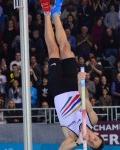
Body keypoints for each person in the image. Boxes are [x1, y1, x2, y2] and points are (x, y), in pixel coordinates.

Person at [41, 0, 104, 149]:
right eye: (95, 139)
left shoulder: (73, 136)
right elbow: (86, 99)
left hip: (59, 91)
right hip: (73, 86)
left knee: (53, 51)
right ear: (97, 134)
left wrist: (77, 142)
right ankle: (56, 13)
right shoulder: (92, 120)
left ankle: (46, 12)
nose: (91, 140)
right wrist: (81, 83)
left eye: (91, 144)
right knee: (66, 48)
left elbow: (61, 149)